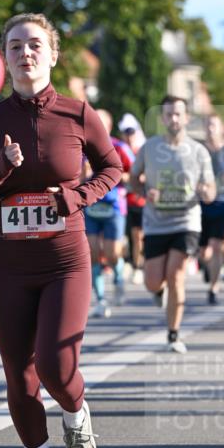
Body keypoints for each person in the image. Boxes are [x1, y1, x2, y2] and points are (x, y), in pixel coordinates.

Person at [0, 13, 121, 448]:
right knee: (19, 371)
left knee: (54, 361)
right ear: (5, 57)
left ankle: (77, 417)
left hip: (64, 257)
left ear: (51, 54)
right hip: (6, 261)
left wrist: (76, 198)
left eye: (34, 45)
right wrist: (0, 172)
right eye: (14, 46)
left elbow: (113, 167)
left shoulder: (77, 113)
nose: (24, 53)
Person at [129, 95, 216, 354]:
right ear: (163, 118)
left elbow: (211, 191)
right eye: (169, 114)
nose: (174, 119)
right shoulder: (150, 148)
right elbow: (133, 179)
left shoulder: (199, 152)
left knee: (176, 274)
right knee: (153, 282)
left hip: (187, 221)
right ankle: (158, 292)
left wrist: (204, 190)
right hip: (156, 223)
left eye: (178, 114)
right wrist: (145, 190)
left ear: (187, 118)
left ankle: (173, 334)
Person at [83, 109, 132, 315]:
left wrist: (112, 175)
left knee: (112, 253)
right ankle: (101, 300)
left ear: (109, 126)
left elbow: (134, 174)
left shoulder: (119, 147)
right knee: (92, 253)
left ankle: (119, 280)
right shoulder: (81, 148)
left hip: (113, 207)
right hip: (91, 207)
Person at [199, 114, 224, 304]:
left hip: (222, 203)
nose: (210, 128)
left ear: (221, 128)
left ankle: (214, 288)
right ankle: (207, 267)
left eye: (214, 124)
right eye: (207, 124)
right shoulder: (197, 150)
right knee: (203, 251)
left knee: (216, 246)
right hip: (200, 205)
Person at [119, 114, 146, 284]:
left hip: (138, 201)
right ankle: (128, 261)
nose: (129, 136)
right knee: (124, 237)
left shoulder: (141, 150)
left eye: (131, 132)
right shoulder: (119, 150)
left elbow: (144, 176)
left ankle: (138, 266)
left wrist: (126, 177)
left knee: (137, 236)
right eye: (125, 133)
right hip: (122, 202)